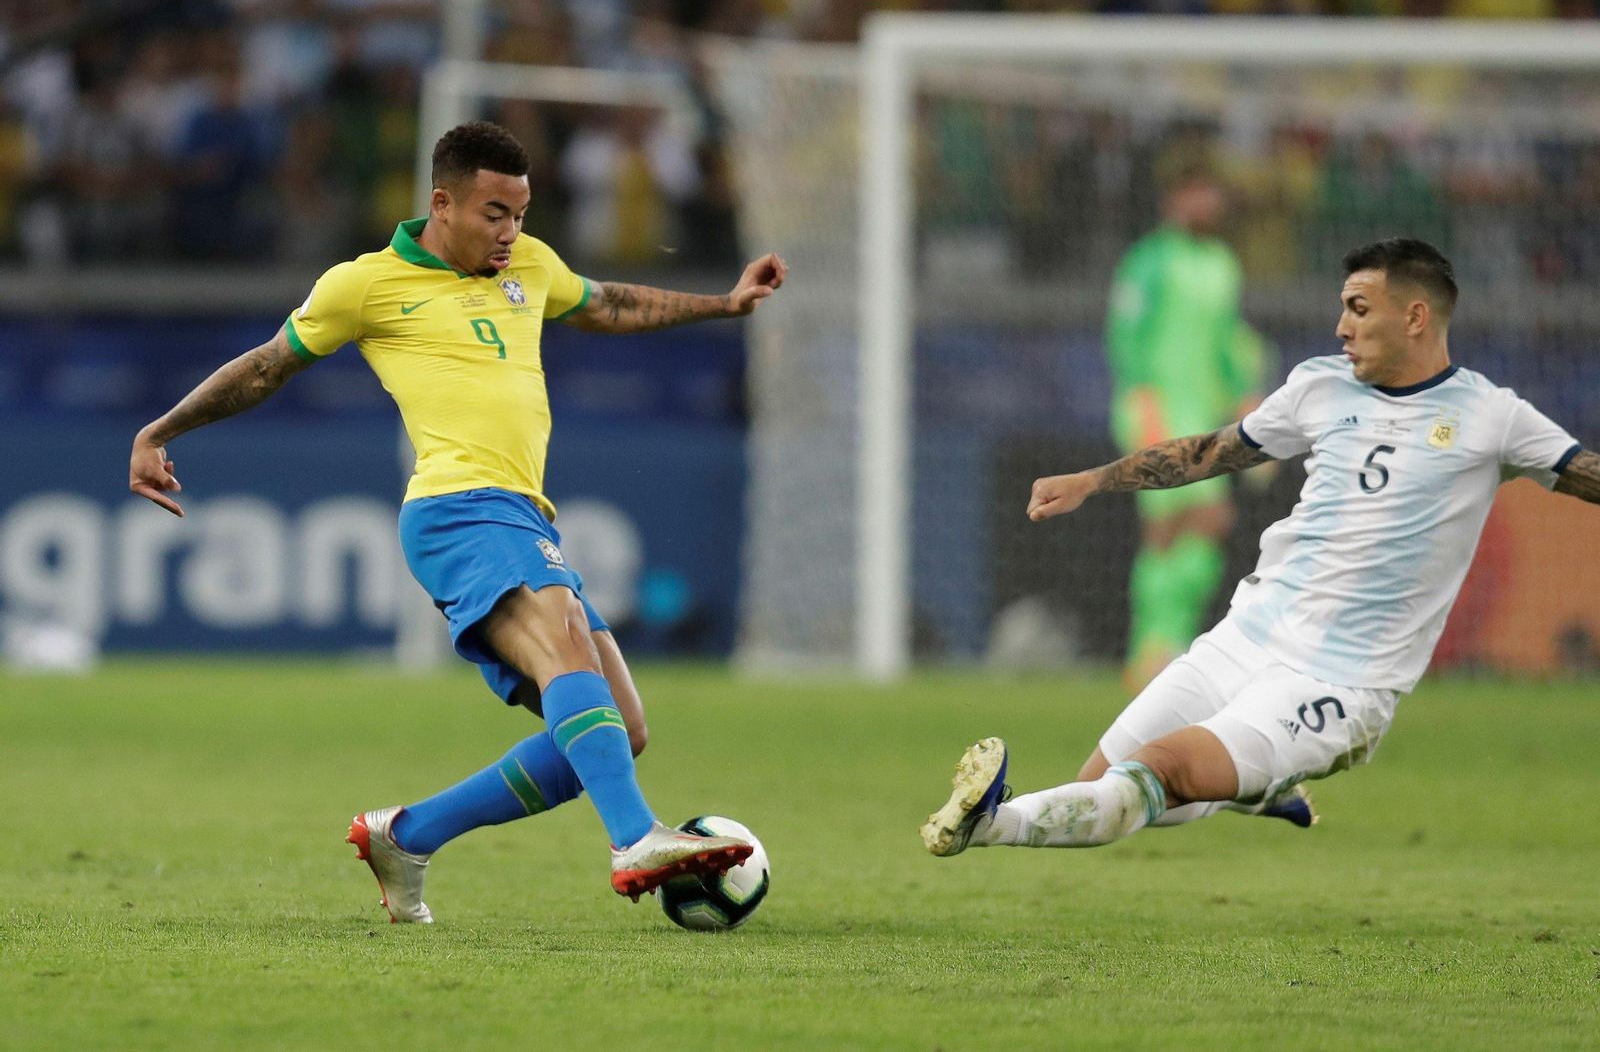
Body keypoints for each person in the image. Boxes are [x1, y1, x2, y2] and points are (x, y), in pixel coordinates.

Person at [128, 121, 787, 921]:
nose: (511, 233)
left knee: (621, 727)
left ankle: (408, 834)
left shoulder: (530, 265)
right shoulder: (364, 285)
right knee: (566, 638)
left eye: (521, 213)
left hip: (519, 510)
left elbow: (606, 304)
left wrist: (724, 302)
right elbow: (269, 365)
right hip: (457, 509)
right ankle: (634, 837)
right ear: (442, 204)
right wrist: (160, 432)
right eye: (493, 214)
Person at [922, 238, 1598, 858]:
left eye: (1359, 310)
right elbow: (1213, 451)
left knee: (1158, 773)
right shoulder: (1319, 386)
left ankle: (985, 823)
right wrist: (1093, 481)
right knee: (1101, 785)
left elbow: (1584, 473)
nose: (1342, 327)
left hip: (1340, 681)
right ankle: (1257, 788)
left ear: (1416, 317)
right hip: (1248, 636)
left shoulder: (1491, 415)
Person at [1105, 169, 1271, 691]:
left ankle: (1161, 646)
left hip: (1203, 416)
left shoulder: (1223, 265)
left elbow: (1229, 341)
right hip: (1156, 408)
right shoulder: (1149, 261)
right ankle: (1152, 646)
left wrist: (1247, 394)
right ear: (1175, 197)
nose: (1208, 201)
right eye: (1197, 190)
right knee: (1174, 526)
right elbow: (1125, 336)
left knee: (1203, 527)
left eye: (1213, 191)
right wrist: (1144, 401)